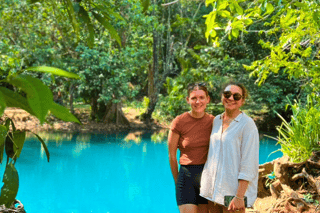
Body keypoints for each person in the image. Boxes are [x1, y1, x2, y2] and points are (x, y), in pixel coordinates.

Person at [200, 82, 259, 213]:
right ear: (222, 97)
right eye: (227, 94)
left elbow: (249, 164)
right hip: (212, 191)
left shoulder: (247, 125)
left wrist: (239, 197)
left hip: (233, 194)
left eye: (236, 96)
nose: (231, 98)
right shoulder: (216, 120)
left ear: (242, 101)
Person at [168, 82, 214, 213]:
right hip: (186, 177)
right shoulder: (179, 121)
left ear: (208, 99)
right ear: (188, 100)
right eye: (194, 98)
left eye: (201, 97)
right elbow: (172, 156)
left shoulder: (214, 122)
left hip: (207, 178)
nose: (198, 101)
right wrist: (177, 181)